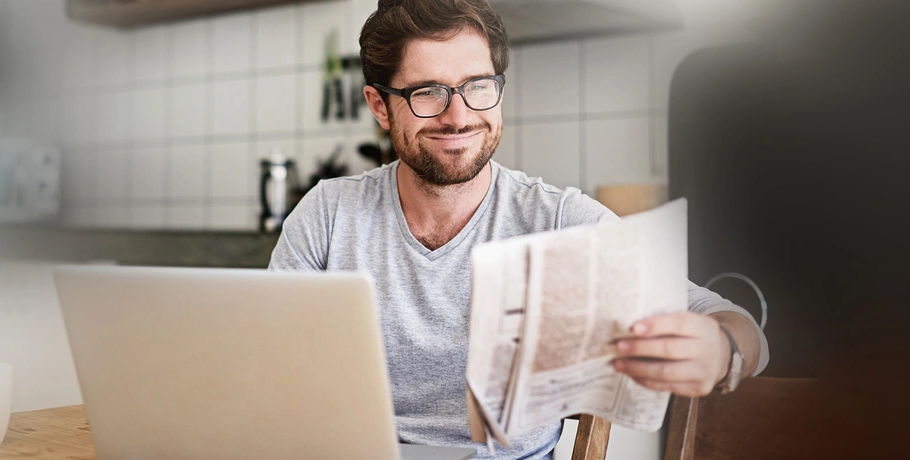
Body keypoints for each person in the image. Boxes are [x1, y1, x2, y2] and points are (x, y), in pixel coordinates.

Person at [269, 0, 768, 458]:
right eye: (428, 93)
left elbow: (732, 323)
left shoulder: (558, 221)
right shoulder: (328, 216)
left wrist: (722, 350)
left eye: (477, 87)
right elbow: (264, 372)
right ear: (380, 105)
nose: (459, 116)